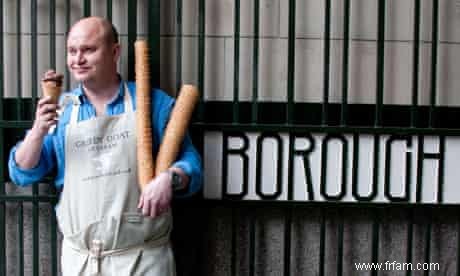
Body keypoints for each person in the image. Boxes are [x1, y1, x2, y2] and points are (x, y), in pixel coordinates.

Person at [8, 16, 202, 275]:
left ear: (115, 52)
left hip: (143, 260)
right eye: (72, 51)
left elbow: (192, 165)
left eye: (88, 50)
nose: (78, 59)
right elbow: (22, 172)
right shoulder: (61, 110)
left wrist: (171, 178)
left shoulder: (153, 103)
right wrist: (37, 131)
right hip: (82, 262)